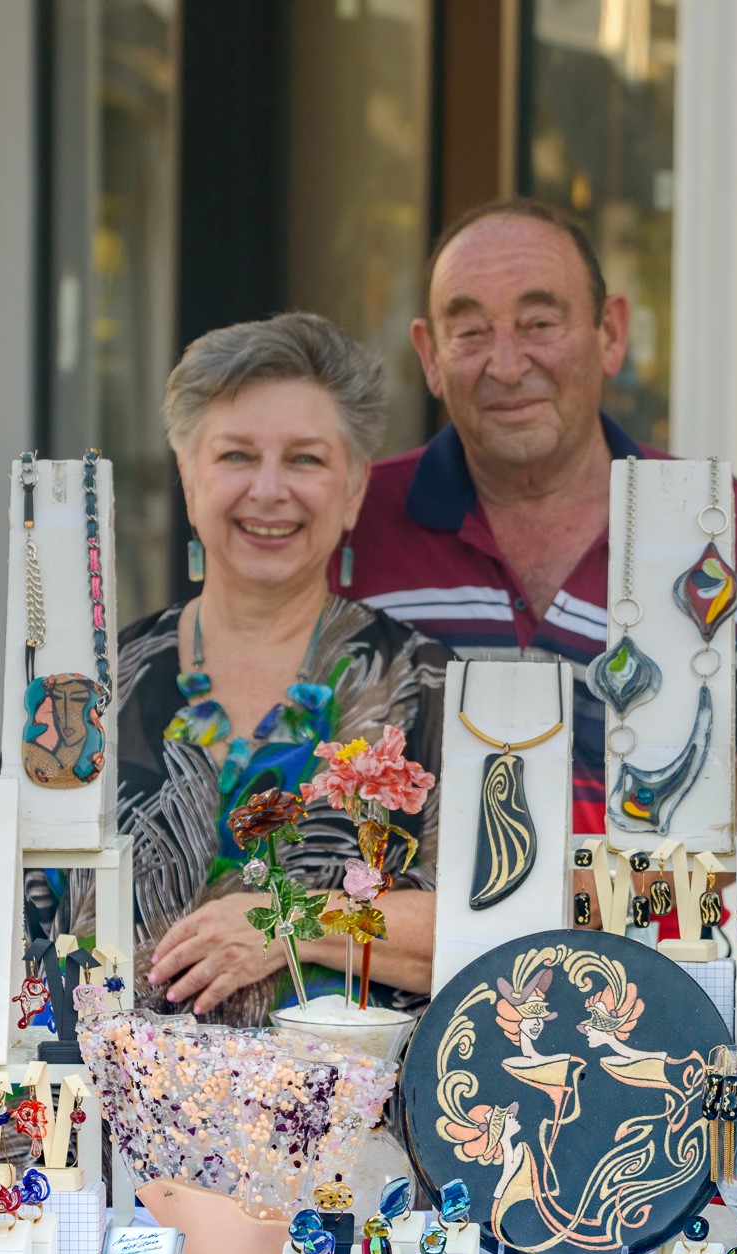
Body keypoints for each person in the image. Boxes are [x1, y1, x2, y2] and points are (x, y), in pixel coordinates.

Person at [343, 199, 737, 835]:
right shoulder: (356, 519)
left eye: (539, 324)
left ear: (610, 334)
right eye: (470, 332)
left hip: (651, 904)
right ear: (429, 356)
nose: (507, 366)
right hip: (395, 903)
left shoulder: (709, 520)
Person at [56, 312, 449, 1026]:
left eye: (305, 460)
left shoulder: (425, 687)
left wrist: (292, 920)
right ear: (189, 476)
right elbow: (1, 903)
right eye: (236, 456)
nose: (269, 490)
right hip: (93, 1098)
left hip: (354, 1100)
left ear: (355, 487)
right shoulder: (88, 689)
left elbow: (490, 925)